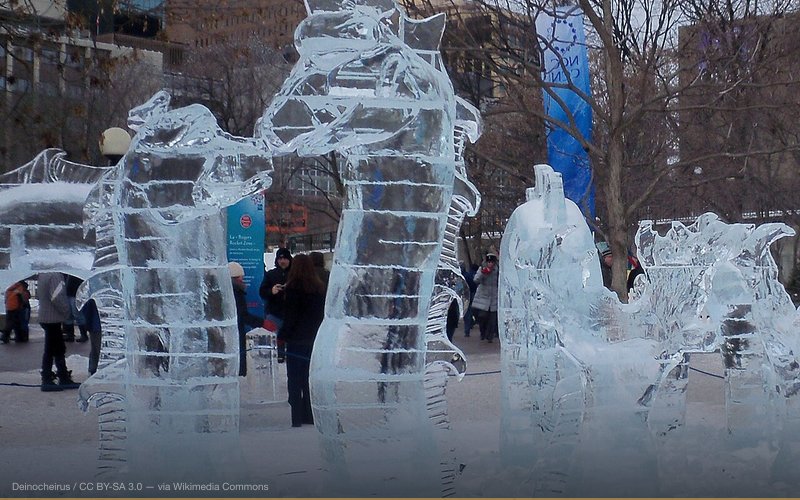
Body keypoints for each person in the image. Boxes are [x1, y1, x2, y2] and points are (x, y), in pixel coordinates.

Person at [277, 254, 326, 427]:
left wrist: (282, 335)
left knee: (295, 379)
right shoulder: (319, 289)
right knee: (308, 378)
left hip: (296, 339)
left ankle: (296, 417)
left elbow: (291, 317)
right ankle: (310, 415)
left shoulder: (293, 289)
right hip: (314, 339)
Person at [37, 272, 80, 391]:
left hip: (46, 316)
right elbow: (57, 296)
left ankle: (60, 375)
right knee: (53, 349)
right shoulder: (55, 275)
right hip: (52, 317)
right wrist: (66, 311)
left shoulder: (43, 274)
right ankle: (50, 379)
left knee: (56, 348)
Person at [229, 261, 264, 377]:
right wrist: (262, 323)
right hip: (236, 333)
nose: (243, 280)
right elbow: (243, 315)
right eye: (241, 277)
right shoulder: (237, 292)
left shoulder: (230, 292)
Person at [260, 248, 292, 362]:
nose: (282, 261)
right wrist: (272, 291)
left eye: (284, 258)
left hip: (291, 313)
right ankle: (278, 355)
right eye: (280, 258)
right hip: (274, 312)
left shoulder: (295, 273)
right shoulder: (271, 274)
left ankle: (288, 355)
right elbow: (262, 292)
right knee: (274, 337)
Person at [472, 252, 499, 343]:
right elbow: (476, 280)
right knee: (482, 316)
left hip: (494, 297)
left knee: (492, 319)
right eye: (489, 262)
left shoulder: (498, 270)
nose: (490, 264)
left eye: (492, 262)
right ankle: (482, 332)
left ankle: (490, 336)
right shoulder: (482, 269)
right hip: (483, 296)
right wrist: (483, 273)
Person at [62, 275, 87, 342]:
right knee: (69, 314)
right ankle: (70, 335)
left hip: (75, 294)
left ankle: (83, 334)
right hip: (69, 293)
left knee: (77, 314)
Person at [81, 299, 102, 375]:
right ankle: (93, 370)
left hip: (96, 325)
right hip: (96, 325)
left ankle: (93, 370)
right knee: (97, 349)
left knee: (96, 349)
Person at [461, 263, 478, 337]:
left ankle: (467, 328)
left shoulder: (465, 275)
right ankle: (472, 321)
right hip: (474, 293)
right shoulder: (474, 275)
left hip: (467, 294)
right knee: (473, 309)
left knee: (467, 311)